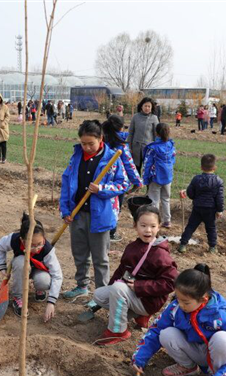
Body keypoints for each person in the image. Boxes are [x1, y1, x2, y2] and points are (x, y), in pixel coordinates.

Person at [132, 264, 226, 376]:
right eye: (178, 299)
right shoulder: (176, 308)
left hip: (218, 357)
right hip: (194, 351)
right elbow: (156, 330)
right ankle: (188, 367)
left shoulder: (225, 315)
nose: (180, 305)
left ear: (204, 299)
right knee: (166, 333)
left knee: (223, 339)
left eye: (186, 302)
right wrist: (140, 358)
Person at [60, 120, 129, 300]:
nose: (87, 147)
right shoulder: (76, 157)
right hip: (77, 214)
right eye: (84, 143)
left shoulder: (112, 158)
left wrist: (102, 189)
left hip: (101, 216)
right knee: (80, 254)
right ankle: (82, 286)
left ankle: (101, 295)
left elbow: (123, 184)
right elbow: (67, 182)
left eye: (91, 143)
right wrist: (65, 209)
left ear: (101, 139)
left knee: (100, 259)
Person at [90, 205, 178, 345]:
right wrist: (112, 287)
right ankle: (139, 316)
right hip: (132, 293)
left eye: (152, 226)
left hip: (148, 300)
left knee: (118, 289)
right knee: (99, 295)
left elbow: (171, 283)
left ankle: (118, 331)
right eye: (143, 225)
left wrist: (140, 286)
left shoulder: (161, 254)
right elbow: (122, 270)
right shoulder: (132, 247)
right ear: (135, 226)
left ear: (159, 227)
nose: (148, 230)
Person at [0, 213, 63, 322]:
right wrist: (2, 266)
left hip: (39, 269)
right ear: (22, 240)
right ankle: (18, 297)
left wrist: (51, 302)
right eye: (31, 245)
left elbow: (57, 275)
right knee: (20, 262)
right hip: (21, 266)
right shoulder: (14, 239)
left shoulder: (47, 250)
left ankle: (39, 290)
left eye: (39, 244)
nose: (36, 248)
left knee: (43, 281)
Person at [102, 115, 142, 243]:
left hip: (102, 181)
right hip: (118, 182)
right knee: (115, 207)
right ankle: (111, 233)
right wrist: (137, 182)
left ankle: (101, 229)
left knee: (102, 204)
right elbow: (129, 165)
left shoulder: (100, 142)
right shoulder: (121, 145)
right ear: (121, 127)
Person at [178, 154, 224, 254]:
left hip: (197, 207)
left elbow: (190, 192)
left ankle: (182, 245)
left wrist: (195, 197)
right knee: (211, 228)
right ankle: (212, 247)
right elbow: (219, 198)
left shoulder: (196, 179)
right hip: (210, 210)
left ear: (201, 167)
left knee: (190, 226)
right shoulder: (218, 181)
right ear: (215, 168)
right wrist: (219, 210)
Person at [143, 123, 176, 228]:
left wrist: (145, 178)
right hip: (168, 177)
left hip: (155, 177)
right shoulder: (171, 145)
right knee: (166, 199)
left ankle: (155, 221)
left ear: (156, 133)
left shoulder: (153, 148)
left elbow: (147, 164)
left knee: (154, 200)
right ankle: (167, 221)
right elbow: (173, 160)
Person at [128, 97, 159, 173]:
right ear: (141, 106)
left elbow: (157, 135)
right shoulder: (135, 117)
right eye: (145, 106)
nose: (147, 108)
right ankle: (137, 184)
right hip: (136, 148)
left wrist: (156, 148)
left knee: (148, 170)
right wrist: (129, 147)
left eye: (149, 106)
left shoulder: (154, 118)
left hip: (148, 149)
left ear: (151, 108)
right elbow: (131, 133)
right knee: (136, 169)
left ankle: (148, 184)